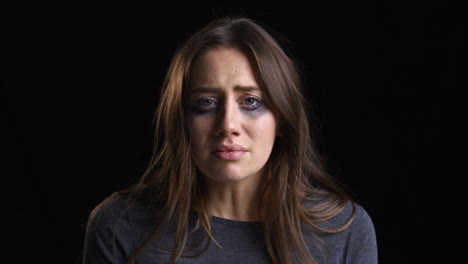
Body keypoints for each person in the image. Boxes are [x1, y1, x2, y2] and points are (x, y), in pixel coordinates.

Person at [82, 16, 378, 264]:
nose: (228, 126)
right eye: (206, 103)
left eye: (250, 101)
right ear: (181, 120)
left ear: (283, 119)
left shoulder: (344, 231)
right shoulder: (121, 226)